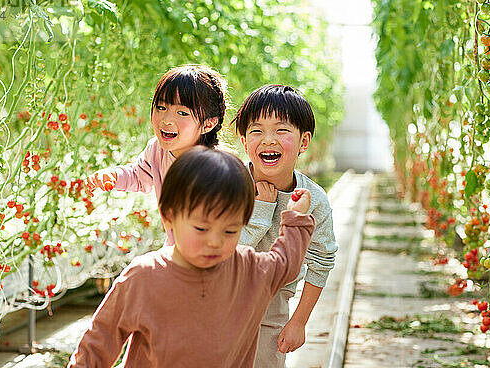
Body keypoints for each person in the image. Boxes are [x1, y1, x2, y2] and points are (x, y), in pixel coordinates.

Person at [68, 147, 315, 367]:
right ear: (169, 216)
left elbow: (286, 264)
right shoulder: (144, 277)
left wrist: (295, 218)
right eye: (201, 228)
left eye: (230, 231)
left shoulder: (250, 269)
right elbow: (99, 342)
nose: (215, 242)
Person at [232, 84, 338, 367]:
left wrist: (298, 321)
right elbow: (219, 251)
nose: (268, 140)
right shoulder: (228, 183)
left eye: (281, 130)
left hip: (273, 301)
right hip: (222, 292)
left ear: (304, 142)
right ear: (243, 141)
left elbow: (322, 260)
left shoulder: (313, 200)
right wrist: (261, 211)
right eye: (256, 131)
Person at [85, 64, 228, 246]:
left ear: (208, 124)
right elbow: (137, 176)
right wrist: (113, 176)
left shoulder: (217, 169)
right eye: (161, 107)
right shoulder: (157, 150)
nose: (167, 119)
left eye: (182, 112)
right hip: (175, 252)